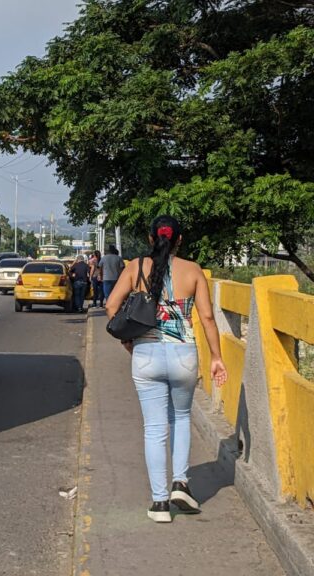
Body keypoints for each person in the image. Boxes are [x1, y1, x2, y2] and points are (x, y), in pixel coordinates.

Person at [105, 215, 228, 523]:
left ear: (150, 239)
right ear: (179, 240)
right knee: (182, 417)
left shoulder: (135, 267)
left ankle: (160, 504)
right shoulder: (193, 270)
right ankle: (180, 483)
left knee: (155, 428)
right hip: (183, 355)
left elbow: (111, 306)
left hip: (146, 354)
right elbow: (208, 318)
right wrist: (216, 357)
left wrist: (129, 345)